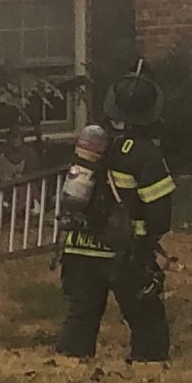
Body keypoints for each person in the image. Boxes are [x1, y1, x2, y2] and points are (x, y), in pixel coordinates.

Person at [55, 72, 176, 364]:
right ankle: (147, 374)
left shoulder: (94, 144)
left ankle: (67, 374)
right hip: (124, 252)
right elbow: (160, 215)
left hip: (79, 247)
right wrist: (146, 240)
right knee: (147, 319)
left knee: (81, 316)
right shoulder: (145, 155)